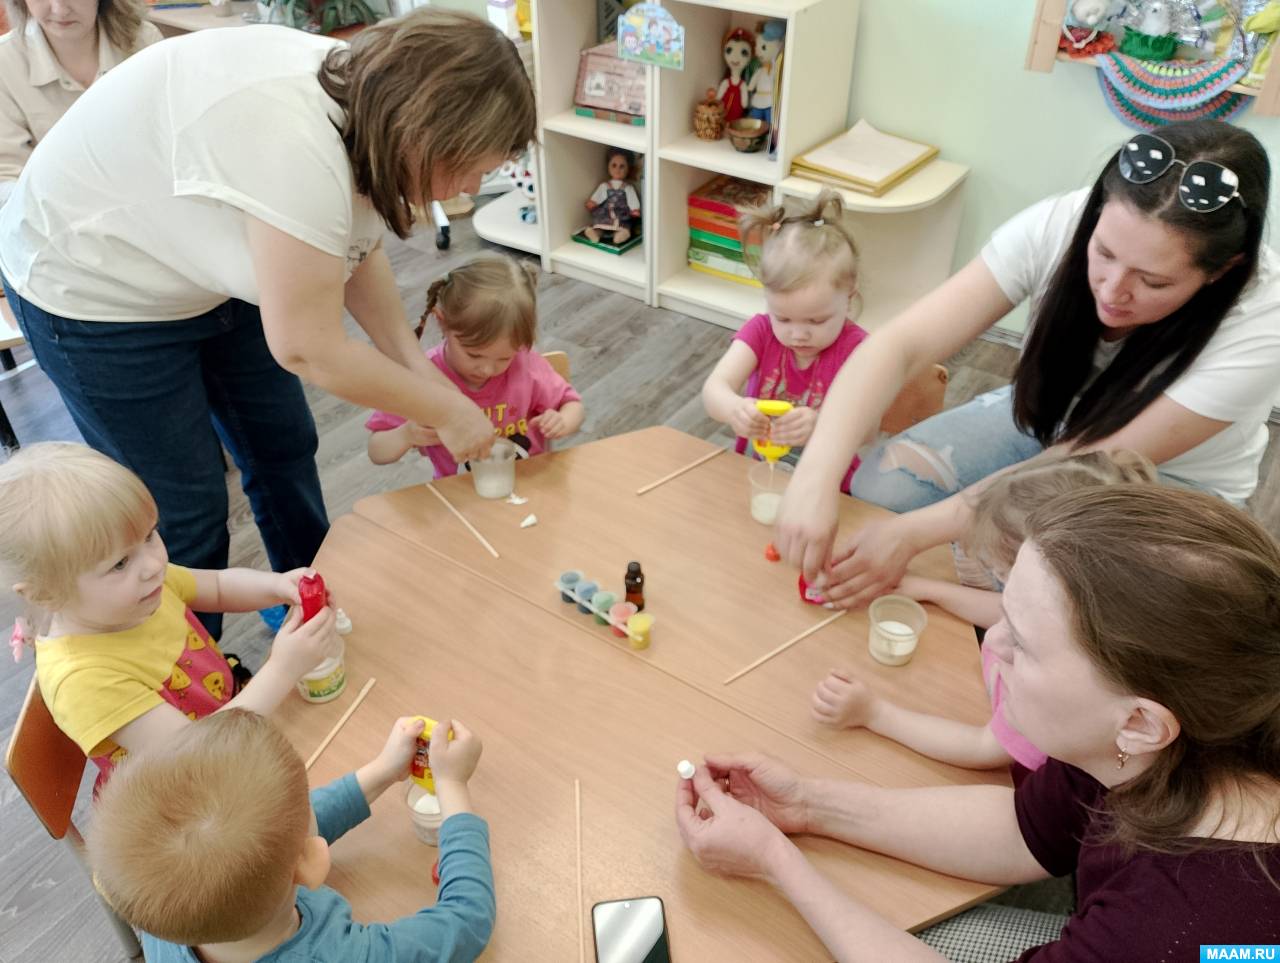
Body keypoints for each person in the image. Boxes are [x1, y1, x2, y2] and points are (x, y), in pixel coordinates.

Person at [0, 9, 536, 636]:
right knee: (183, 511)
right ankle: (197, 685)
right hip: (91, 288)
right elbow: (309, 347)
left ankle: (307, 610)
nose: (468, 185)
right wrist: (448, 410)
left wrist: (418, 370)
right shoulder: (296, 143)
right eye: (466, 164)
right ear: (420, 129)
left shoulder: (364, 105)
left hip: (202, 268)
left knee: (282, 449)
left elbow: (353, 248)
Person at [678, 485, 1280, 961]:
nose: (993, 641)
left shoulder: (1187, 929)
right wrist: (806, 807)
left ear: (1142, 723)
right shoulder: (1143, 741)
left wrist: (778, 864)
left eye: (1024, 641)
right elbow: (1025, 831)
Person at [774, 120, 1279, 606]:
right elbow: (901, 345)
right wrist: (816, 474)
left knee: (1048, 586)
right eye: (1102, 253)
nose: (1112, 288)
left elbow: (1088, 458)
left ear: (1222, 272)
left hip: (1163, 478)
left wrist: (911, 535)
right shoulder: (1065, 220)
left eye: (1153, 282)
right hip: (1049, 421)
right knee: (880, 487)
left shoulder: (1263, 323)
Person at [0, 443, 334, 786]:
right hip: (193, 796)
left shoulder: (140, 588)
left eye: (149, 535)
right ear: (46, 593)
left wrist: (278, 586)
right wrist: (282, 668)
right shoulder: (83, 680)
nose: (154, 564)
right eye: (119, 563)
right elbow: (199, 755)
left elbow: (218, 585)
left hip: (234, 726)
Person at [811, 449, 1155, 775]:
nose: (997, 632)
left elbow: (982, 748)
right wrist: (929, 590)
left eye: (1000, 570)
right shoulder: (1067, 611)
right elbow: (1003, 612)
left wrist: (875, 713)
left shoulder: (1053, 704)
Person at [87, 709, 495, 962]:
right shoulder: (340, 955)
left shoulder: (167, 920)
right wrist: (453, 787)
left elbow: (278, 835)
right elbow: (466, 922)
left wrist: (384, 770)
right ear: (312, 861)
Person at [702, 189, 867, 491]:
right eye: (784, 318)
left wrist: (821, 424)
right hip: (759, 473)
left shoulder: (857, 350)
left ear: (849, 298)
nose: (798, 334)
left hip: (830, 487)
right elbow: (714, 389)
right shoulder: (761, 332)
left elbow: (869, 429)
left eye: (816, 321)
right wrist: (733, 409)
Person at [366, 254, 584, 474]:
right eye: (474, 355)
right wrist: (406, 435)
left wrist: (562, 421)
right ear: (442, 322)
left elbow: (572, 405)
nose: (488, 370)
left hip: (529, 485)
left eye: (504, 358)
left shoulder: (526, 364)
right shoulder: (421, 376)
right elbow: (377, 451)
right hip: (459, 497)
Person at [0, 0, 160, 205]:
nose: (59, 9)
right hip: (48, 219)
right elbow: (6, 175)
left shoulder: (145, 42)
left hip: (142, 205)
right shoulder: (5, 63)